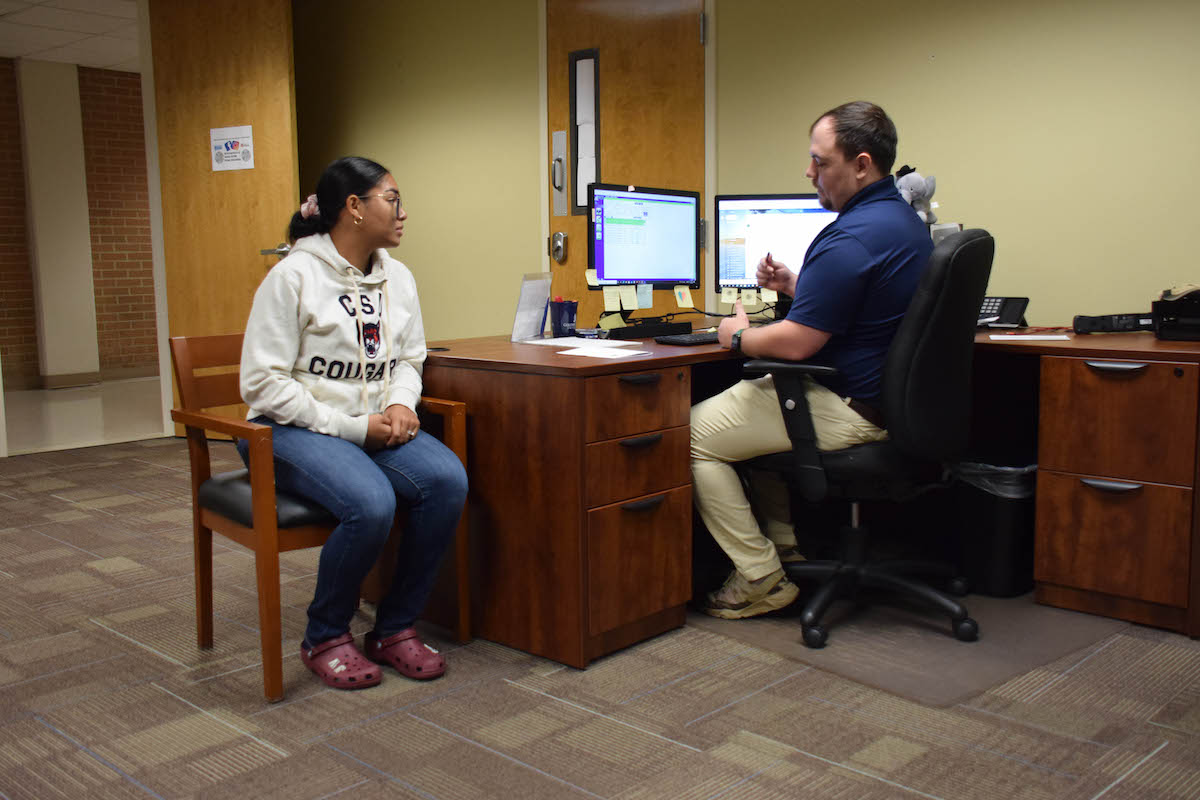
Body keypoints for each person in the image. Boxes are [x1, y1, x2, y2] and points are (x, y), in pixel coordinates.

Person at [692, 101, 933, 619]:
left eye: (820, 162)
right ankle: (783, 549)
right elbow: (866, 303)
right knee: (746, 421)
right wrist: (795, 285)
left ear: (862, 164)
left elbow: (798, 344)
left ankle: (760, 576)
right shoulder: (902, 224)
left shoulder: (849, 236)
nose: (809, 173)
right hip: (888, 405)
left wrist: (734, 337)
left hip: (845, 405)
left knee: (688, 436)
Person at [239, 156, 468, 688]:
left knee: (447, 481)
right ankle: (324, 635)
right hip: (286, 430)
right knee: (371, 503)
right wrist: (353, 427)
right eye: (392, 199)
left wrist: (402, 406)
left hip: (369, 427)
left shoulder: (399, 277)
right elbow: (262, 385)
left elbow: (409, 359)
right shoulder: (292, 276)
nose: (403, 212)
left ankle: (393, 629)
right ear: (354, 208)